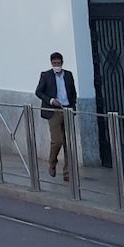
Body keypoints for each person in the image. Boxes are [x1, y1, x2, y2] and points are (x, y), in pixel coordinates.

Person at [35, 52, 78, 181]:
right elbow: (38, 92)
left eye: (58, 63)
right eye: (54, 63)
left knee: (69, 143)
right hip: (54, 110)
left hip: (67, 109)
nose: (56, 65)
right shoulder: (46, 75)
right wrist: (51, 100)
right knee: (57, 140)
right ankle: (52, 162)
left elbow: (73, 92)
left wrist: (73, 106)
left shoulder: (69, 75)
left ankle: (68, 174)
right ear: (51, 63)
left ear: (62, 63)